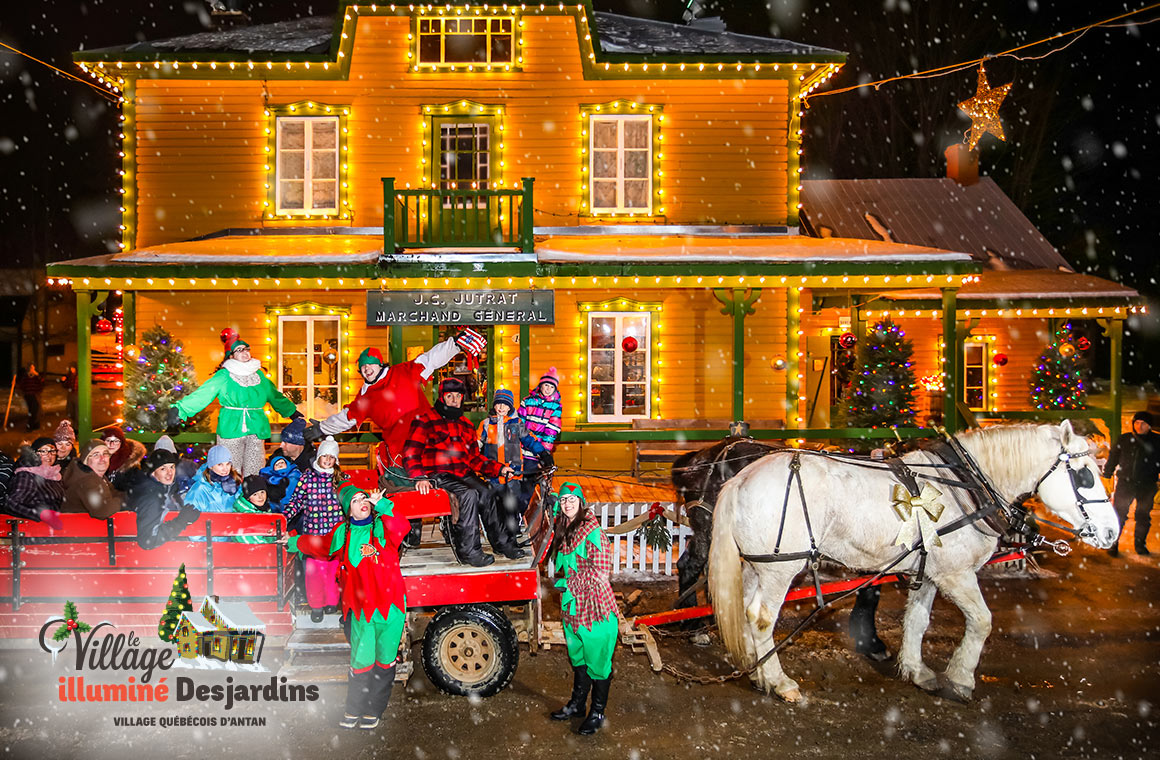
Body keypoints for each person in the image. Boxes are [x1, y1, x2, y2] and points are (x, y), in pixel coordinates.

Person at [282, 484, 410, 730]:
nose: (362, 501)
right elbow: (320, 544)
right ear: (348, 510)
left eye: (364, 498)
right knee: (361, 660)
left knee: (385, 660)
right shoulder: (343, 532)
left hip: (391, 606)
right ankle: (354, 709)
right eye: (356, 500)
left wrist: (382, 505)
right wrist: (294, 542)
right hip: (362, 608)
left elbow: (401, 526)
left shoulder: (382, 526)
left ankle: (374, 710)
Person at [402, 377, 521, 567]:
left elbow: (474, 458)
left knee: (488, 491)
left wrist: (498, 468)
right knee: (469, 494)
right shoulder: (425, 420)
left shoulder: (465, 424)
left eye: (458, 396)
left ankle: (503, 544)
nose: (455, 400)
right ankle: (469, 551)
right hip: (438, 474)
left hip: (463, 473)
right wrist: (419, 477)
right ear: (442, 397)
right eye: (450, 396)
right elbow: (410, 452)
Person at [168, 337, 302, 477]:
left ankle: (252, 496)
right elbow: (204, 394)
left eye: (247, 349)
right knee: (230, 469)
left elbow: (275, 396)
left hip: (256, 428)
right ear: (231, 356)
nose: (245, 353)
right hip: (231, 427)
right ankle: (231, 496)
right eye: (239, 350)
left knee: (255, 470)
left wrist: (292, 412)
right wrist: (180, 409)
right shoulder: (224, 376)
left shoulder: (259, 376)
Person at [547, 482, 616, 735]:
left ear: (581, 501)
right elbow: (551, 509)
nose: (567, 503)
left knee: (597, 660)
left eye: (572, 499)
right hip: (572, 607)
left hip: (594, 607)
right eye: (564, 500)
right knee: (578, 657)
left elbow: (600, 573)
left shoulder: (592, 531)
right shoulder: (565, 527)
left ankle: (597, 711)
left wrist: (567, 582)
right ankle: (577, 704)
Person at [282, 437, 348, 622]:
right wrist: (285, 516)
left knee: (332, 573)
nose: (327, 460)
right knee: (314, 575)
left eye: (331, 457)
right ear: (318, 457)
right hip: (313, 536)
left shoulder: (341, 479)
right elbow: (296, 501)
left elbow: (350, 501)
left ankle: (331, 602)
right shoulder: (307, 478)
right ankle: (316, 605)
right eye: (324, 456)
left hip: (334, 537)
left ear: (336, 460)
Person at [478, 388, 552, 536]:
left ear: (510, 407)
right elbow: (477, 443)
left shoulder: (517, 424)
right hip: (493, 473)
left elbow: (530, 440)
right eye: (498, 404)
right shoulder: (486, 424)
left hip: (513, 473)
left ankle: (513, 530)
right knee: (495, 503)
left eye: (505, 405)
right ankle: (496, 531)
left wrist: (543, 453)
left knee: (512, 502)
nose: (501, 408)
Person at [1104, 410, 1160, 556]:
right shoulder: (1124, 439)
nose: (1139, 426)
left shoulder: (1157, 441)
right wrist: (1107, 474)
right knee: (1119, 514)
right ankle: (1113, 544)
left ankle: (1140, 544)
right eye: (1136, 423)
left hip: (1147, 485)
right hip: (1125, 483)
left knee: (1143, 515)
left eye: (1143, 423)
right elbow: (1113, 457)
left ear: (1149, 426)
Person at [131, 447, 200, 550]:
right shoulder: (152, 496)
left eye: (172, 467)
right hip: (155, 558)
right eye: (163, 469)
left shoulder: (168, 491)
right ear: (153, 472)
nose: (169, 473)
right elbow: (147, 540)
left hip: (168, 554)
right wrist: (180, 521)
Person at [2, 443, 64, 528]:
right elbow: (11, 503)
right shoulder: (27, 474)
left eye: (52, 451)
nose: (49, 455)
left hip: (53, 531)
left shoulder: (55, 475)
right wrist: (40, 514)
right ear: (35, 454)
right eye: (43, 451)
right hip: (34, 532)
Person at [60, 440, 123, 518]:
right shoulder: (86, 480)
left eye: (105, 454)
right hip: (77, 528)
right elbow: (102, 511)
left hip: (85, 528)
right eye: (96, 455)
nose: (102, 458)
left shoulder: (100, 478)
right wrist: (122, 500)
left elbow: (112, 494)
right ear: (86, 461)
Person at [518, 367, 563, 476]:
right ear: (540, 385)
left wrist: (544, 451)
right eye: (546, 385)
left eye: (552, 387)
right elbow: (519, 422)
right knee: (517, 477)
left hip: (538, 450)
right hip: (521, 446)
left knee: (530, 479)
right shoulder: (528, 401)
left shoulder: (555, 407)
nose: (548, 389)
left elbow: (551, 431)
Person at [184, 444, 242, 513]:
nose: (225, 469)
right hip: (209, 523)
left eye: (228, 464)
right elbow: (189, 516)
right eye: (220, 465)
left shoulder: (236, 484)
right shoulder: (200, 488)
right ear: (211, 466)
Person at [232, 475, 274, 544]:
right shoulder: (245, 514)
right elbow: (251, 541)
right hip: (248, 551)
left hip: (264, 548)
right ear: (248, 497)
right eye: (255, 494)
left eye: (262, 492)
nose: (260, 497)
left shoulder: (264, 508)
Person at [18, 365, 45, 431]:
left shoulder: (36, 377)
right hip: (28, 396)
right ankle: (30, 426)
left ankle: (35, 424)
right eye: (32, 368)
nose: (33, 369)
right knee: (33, 410)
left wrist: (38, 375)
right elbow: (22, 385)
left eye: (33, 368)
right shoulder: (25, 377)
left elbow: (42, 383)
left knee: (36, 410)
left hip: (35, 395)